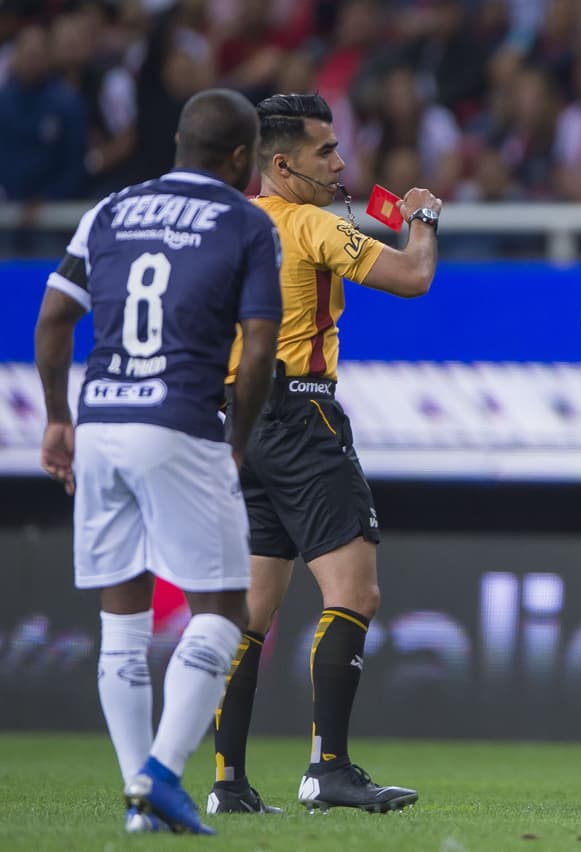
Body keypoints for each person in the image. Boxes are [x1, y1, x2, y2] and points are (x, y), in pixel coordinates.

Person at [33, 88, 282, 835]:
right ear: (242, 158)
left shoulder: (108, 211)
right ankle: (165, 777)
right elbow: (262, 345)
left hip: (102, 419)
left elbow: (51, 319)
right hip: (178, 417)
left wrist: (56, 418)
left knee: (123, 621)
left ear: (178, 141)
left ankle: (139, 800)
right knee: (225, 609)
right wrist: (237, 438)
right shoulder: (245, 220)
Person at [207, 92, 442, 815]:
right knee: (354, 593)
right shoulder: (311, 223)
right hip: (302, 414)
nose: (340, 163)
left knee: (251, 610)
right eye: (325, 153)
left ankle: (226, 784)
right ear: (282, 163)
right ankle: (327, 769)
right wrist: (424, 220)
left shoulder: (229, 223)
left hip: (236, 420)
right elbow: (412, 278)